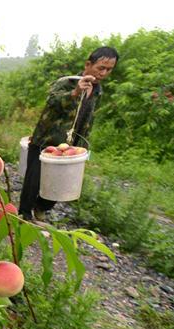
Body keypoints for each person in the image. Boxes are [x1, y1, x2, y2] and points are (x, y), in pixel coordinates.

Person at [18, 47, 119, 221]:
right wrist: (75, 93)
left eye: (109, 70)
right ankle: (24, 215)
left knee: (61, 181)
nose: (104, 73)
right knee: (33, 180)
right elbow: (52, 102)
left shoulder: (97, 91)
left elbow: (87, 119)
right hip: (46, 139)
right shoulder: (67, 82)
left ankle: (41, 207)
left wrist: (83, 146)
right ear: (88, 64)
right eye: (100, 68)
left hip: (71, 145)